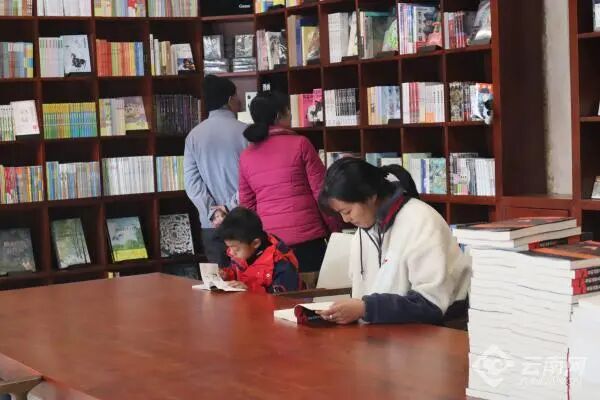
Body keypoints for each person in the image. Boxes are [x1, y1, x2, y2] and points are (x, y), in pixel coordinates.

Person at [316, 158, 471, 325]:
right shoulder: (365, 230)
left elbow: (430, 304)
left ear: (370, 196)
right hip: (381, 330)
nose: (345, 220)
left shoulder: (421, 220)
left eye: (347, 211)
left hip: (435, 330)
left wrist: (366, 308)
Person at [238, 91, 339, 279]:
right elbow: (321, 192)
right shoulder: (301, 144)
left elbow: (247, 205)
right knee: (313, 292)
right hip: (308, 240)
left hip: (271, 245)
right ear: (279, 115)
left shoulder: (246, 155)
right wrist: (335, 229)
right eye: (288, 110)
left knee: (280, 293)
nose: (291, 115)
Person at [184, 75, 247, 267]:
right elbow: (253, 179)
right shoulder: (246, 132)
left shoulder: (193, 136)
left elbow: (192, 183)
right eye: (236, 95)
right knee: (248, 279)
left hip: (211, 224)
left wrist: (214, 212)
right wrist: (228, 207)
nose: (240, 100)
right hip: (244, 221)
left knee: (219, 281)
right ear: (229, 99)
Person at [217, 207, 301, 293]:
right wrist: (226, 276)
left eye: (236, 249)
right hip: (244, 300)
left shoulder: (280, 262)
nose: (231, 252)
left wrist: (250, 291)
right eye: (229, 247)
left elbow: (284, 295)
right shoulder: (243, 252)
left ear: (255, 243)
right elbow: (236, 274)